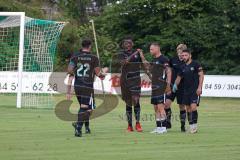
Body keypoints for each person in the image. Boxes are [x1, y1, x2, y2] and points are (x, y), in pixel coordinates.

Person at [67, 39, 107, 137]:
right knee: (86, 108)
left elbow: (69, 70)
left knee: (85, 108)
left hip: (78, 85)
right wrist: (104, 73)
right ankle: (78, 128)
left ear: (82, 46)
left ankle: (82, 126)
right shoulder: (94, 58)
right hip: (87, 86)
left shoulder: (75, 56)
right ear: (90, 46)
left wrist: (75, 74)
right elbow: (99, 74)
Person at [139, 42, 171, 134]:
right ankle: (158, 127)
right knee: (155, 108)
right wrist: (142, 56)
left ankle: (164, 127)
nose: (150, 51)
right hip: (154, 87)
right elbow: (148, 66)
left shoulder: (164, 59)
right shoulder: (154, 59)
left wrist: (168, 85)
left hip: (161, 86)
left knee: (161, 107)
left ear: (157, 48)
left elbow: (168, 72)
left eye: (151, 49)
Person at [173, 49, 204, 133]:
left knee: (193, 107)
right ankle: (191, 126)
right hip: (185, 91)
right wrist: (175, 85)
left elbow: (201, 75)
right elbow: (179, 77)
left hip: (194, 90)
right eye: (182, 55)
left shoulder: (196, 64)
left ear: (190, 55)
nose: (184, 57)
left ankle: (194, 126)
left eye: (185, 55)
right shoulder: (182, 66)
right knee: (188, 109)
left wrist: (200, 87)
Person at [117, 37, 143, 132]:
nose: (127, 45)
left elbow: (143, 65)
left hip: (136, 79)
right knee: (128, 102)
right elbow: (124, 62)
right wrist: (135, 53)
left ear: (132, 44)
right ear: (123, 45)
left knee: (136, 100)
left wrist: (141, 55)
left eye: (129, 43)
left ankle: (138, 123)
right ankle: (129, 125)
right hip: (125, 80)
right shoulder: (121, 54)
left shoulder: (138, 54)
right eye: (125, 43)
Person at [165, 44, 188, 132]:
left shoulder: (187, 62)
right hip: (171, 86)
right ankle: (168, 122)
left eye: (181, 54)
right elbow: (168, 70)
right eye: (178, 53)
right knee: (166, 104)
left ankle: (183, 126)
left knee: (182, 107)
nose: (180, 55)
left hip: (182, 87)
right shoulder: (173, 60)